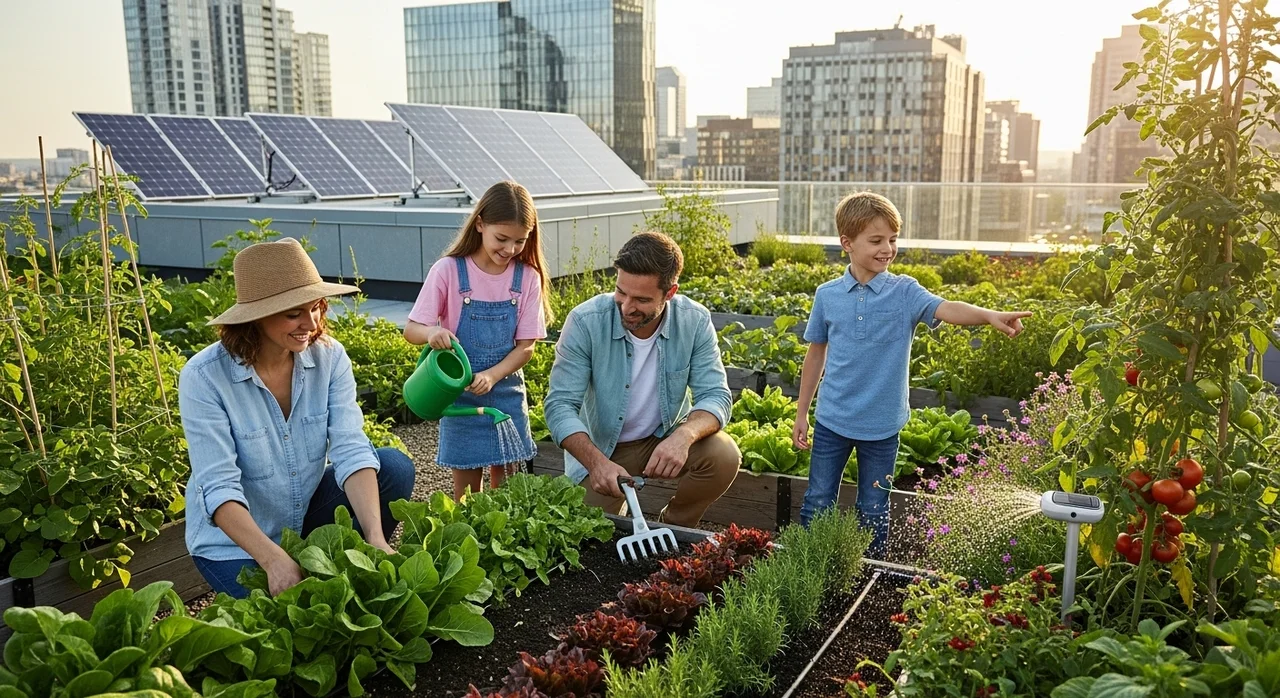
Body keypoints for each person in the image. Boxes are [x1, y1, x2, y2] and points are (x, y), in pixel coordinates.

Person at [792, 192, 1032, 558]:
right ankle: (809, 563)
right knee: (818, 501)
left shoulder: (903, 291)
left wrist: (989, 315)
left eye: (892, 239)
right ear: (847, 244)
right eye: (876, 241)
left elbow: (946, 307)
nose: (887, 248)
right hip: (832, 421)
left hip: (883, 426)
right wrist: (801, 412)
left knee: (873, 509)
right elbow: (816, 353)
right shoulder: (828, 295)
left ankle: (867, 572)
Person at [181, 237, 416, 598]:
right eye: (294, 313)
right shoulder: (204, 377)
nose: (311, 322)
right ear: (256, 317)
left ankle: (343, 562)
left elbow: (351, 449)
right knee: (278, 630)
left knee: (394, 467)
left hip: (303, 515)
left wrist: (375, 540)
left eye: (317, 307)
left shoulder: (329, 358)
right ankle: (291, 565)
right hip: (233, 544)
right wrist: (273, 560)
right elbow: (218, 487)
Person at [545, 231, 740, 528]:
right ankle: (618, 509)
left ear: (669, 293)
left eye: (641, 299)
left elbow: (716, 395)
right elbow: (559, 405)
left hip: (662, 438)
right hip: (604, 449)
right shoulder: (586, 322)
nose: (626, 306)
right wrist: (596, 464)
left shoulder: (694, 321)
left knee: (723, 456)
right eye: (621, 292)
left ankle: (676, 527)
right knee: (587, 534)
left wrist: (683, 437)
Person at [404, 181, 549, 501]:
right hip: (459, 394)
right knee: (466, 493)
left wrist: (492, 375)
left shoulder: (526, 277)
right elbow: (412, 328)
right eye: (502, 238)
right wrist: (432, 332)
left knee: (509, 492)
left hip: (506, 391)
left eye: (519, 241)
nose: (510, 249)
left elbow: (526, 346)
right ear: (480, 223)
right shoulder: (449, 271)